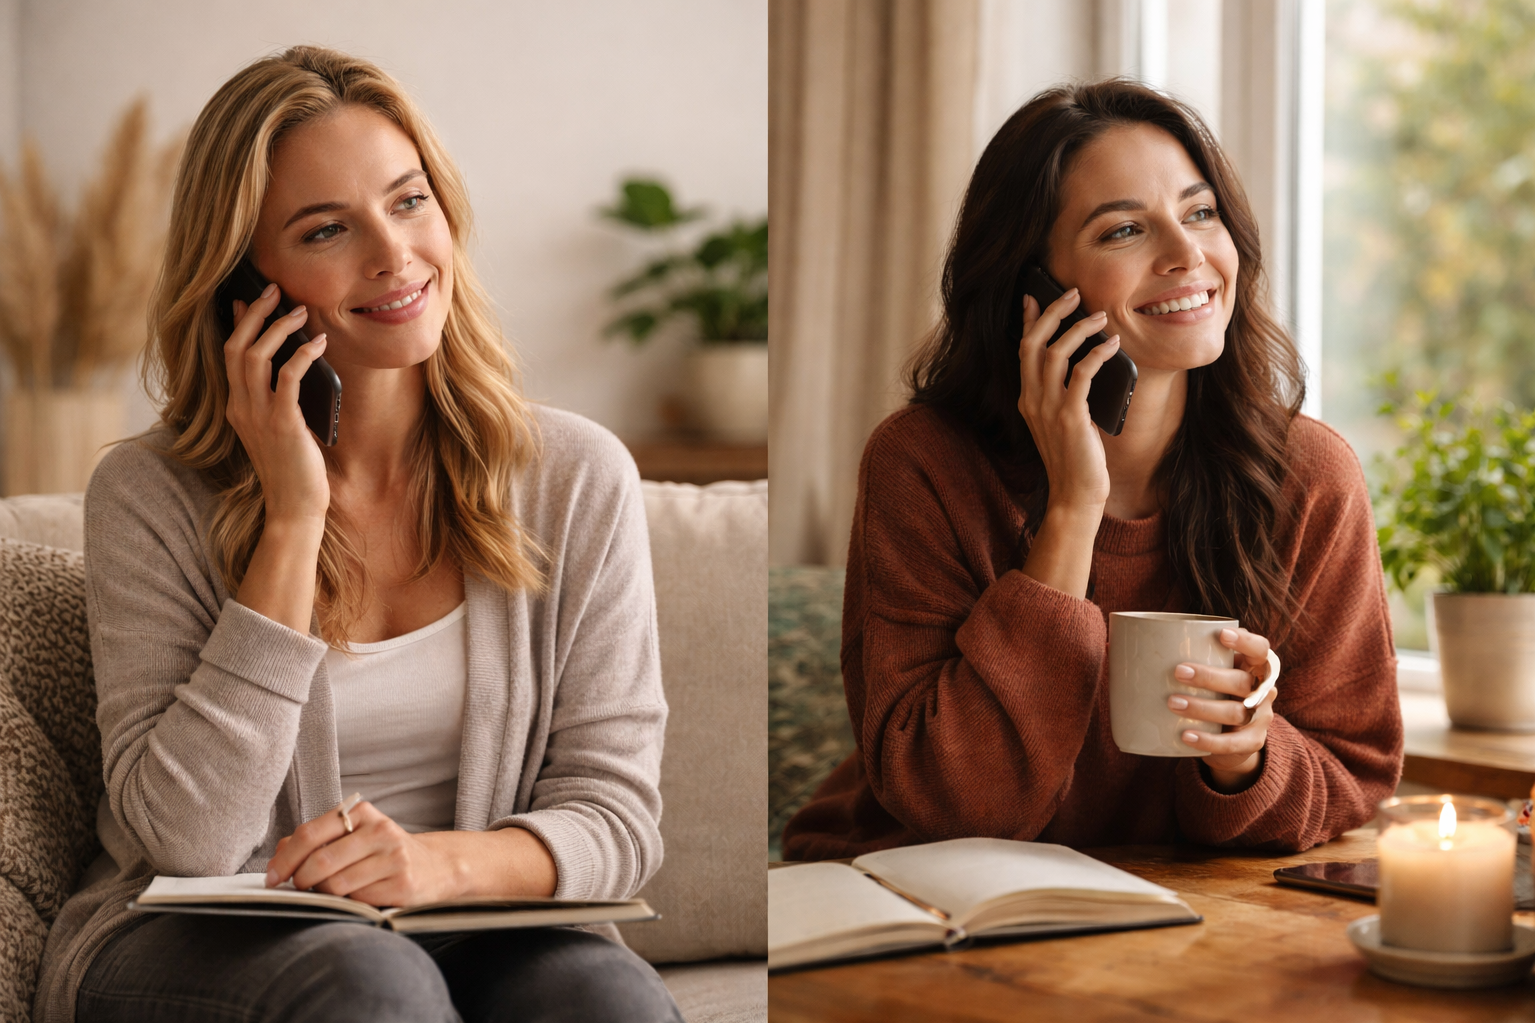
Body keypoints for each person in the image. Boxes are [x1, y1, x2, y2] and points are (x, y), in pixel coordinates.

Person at [35, 46, 681, 1023]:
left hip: (474, 924)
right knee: (372, 982)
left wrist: (433, 866)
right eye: (327, 229)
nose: (393, 256)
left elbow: (618, 817)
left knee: (605, 997)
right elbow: (187, 839)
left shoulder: (575, 478)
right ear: (243, 284)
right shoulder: (148, 496)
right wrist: (292, 518)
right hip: (203, 945)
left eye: (408, 201)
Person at [782, 79, 1403, 861]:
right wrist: (1074, 507)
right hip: (921, 899)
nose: (1187, 256)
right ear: (1032, 285)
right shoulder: (924, 463)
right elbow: (953, 803)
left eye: (1200, 212)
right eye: (1122, 232)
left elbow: (1356, 766)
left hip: (1177, 918)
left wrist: (1244, 756)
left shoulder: (1307, 475)